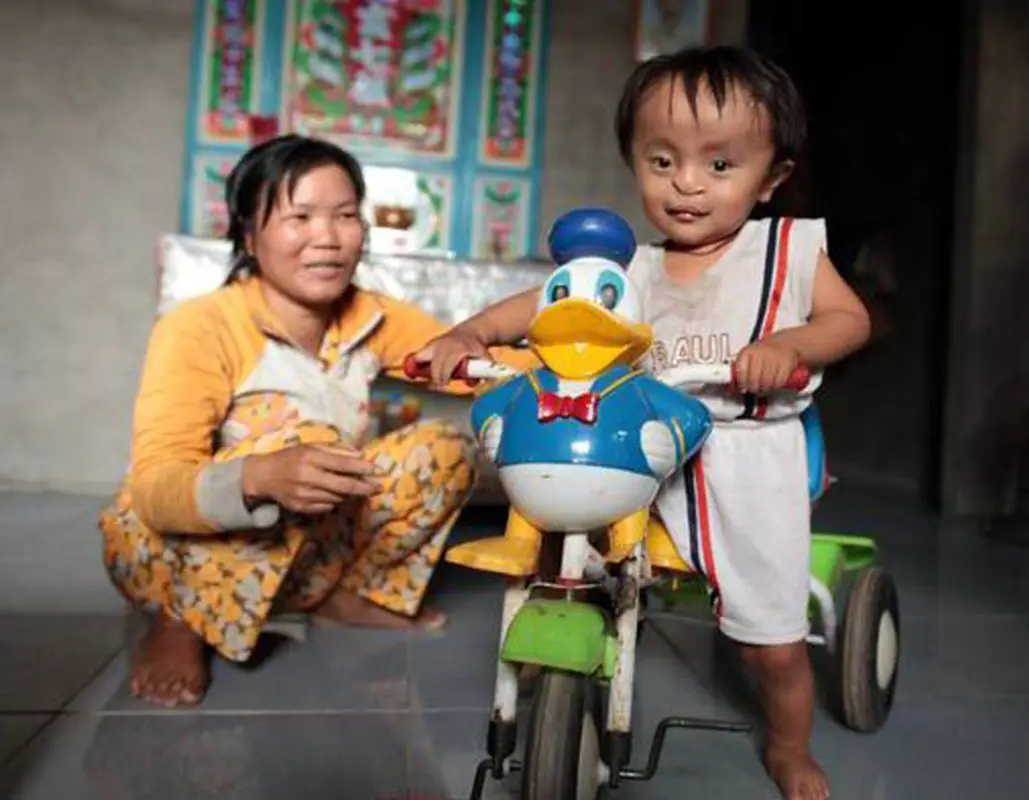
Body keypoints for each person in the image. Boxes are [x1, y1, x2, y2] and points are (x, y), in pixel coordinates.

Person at [417, 46, 870, 800]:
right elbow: (541, 307)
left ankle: (790, 743)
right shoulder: (629, 273)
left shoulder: (787, 250)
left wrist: (790, 346)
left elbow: (849, 321)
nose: (686, 182)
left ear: (772, 177)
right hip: (643, 450)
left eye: (719, 164)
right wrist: (471, 333)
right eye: (663, 160)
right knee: (564, 544)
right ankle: (558, 658)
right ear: (634, 161)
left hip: (747, 454)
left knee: (769, 637)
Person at [98, 134, 532, 709]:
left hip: (304, 554)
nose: (327, 237)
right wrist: (257, 476)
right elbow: (155, 490)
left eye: (345, 215)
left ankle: (343, 598)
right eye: (299, 217)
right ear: (249, 235)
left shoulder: (369, 314)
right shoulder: (199, 327)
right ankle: (183, 622)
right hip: (167, 555)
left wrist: (587, 363)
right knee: (309, 438)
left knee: (447, 449)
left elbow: (470, 366)